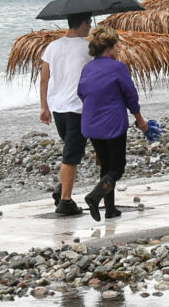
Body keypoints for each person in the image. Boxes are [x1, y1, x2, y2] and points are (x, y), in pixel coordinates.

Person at [78, 26, 148, 222]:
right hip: (112, 123)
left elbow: (81, 93)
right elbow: (130, 96)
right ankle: (94, 197)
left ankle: (110, 209)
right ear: (109, 47)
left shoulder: (88, 68)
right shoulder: (118, 68)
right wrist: (140, 120)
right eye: (117, 46)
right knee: (117, 167)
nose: (119, 49)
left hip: (91, 123)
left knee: (106, 165)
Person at [40, 12, 93, 216]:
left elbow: (44, 78)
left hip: (57, 106)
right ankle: (66, 201)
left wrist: (44, 106)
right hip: (77, 107)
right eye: (88, 22)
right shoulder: (88, 47)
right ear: (81, 23)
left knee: (70, 150)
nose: (90, 26)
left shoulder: (53, 46)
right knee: (71, 156)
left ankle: (61, 189)